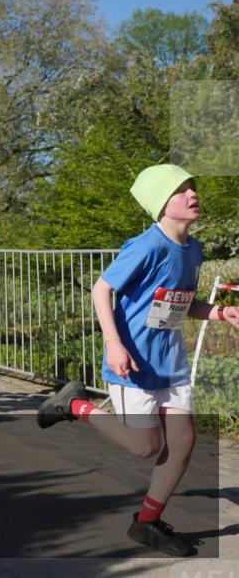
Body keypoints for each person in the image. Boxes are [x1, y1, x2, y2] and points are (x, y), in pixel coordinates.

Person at [37, 164, 239, 557]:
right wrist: (113, 343)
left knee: (182, 442)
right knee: (147, 447)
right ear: (161, 204)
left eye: (192, 188)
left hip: (170, 362)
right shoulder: (146, 246)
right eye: (181, 191)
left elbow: (178, 304)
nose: (192, 195)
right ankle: (75, 405)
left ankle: (146, 523)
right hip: (133, 362)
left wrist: (217, 313)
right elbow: (101, 290)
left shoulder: (192, 249)